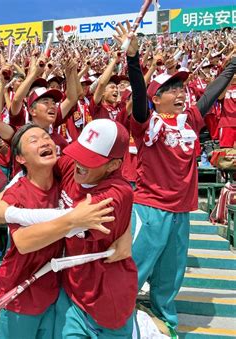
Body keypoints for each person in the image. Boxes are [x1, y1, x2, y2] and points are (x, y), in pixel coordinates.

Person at [115, 21, 236, 335]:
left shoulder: (191, 120)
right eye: (171, 89)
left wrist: (233, 61)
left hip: (182, 212)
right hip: (150, 210)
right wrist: (133, 59)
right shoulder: (146, 122)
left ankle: (164, 322)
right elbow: (139, 96)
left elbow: (212, 90)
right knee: (135, 270)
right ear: (156, 99)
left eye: (181, 87)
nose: (180, 92)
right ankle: (116, 322)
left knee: (171, 274)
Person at [0, 119, 138, 338]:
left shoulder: (116, 193)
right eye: (79, 152)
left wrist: (10, 213)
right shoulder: (71, 167)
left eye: (91, 159)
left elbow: (66, 222)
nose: (79, 162)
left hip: (105, 299)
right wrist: (4, 197)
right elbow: (30, 172)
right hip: (60, 292)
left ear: (113, 165)